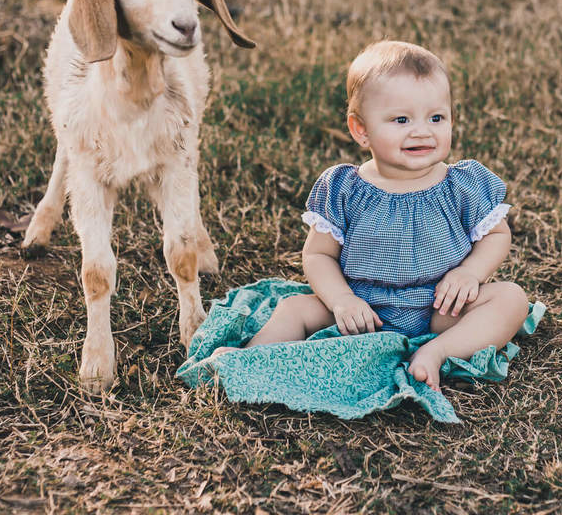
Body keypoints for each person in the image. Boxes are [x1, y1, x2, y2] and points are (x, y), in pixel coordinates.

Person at [215, 40, 529, 390]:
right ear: (361, 130)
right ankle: (248, 361)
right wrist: (342, 300)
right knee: (293, 309)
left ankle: (436, 353)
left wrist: (471, 272)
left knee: (511, 298)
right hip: (363, 309)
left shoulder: (462, 184)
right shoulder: (345, 188)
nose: (422, 130)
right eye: (401, 119)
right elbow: (318, 255)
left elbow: (497, 235)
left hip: (440, 308)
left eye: (436, 117)